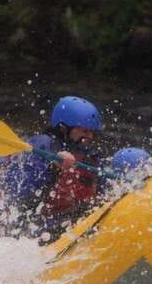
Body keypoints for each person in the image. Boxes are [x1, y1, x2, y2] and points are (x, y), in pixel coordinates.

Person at [6, 95, 105, 240]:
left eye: (91, 132)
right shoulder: (40, 145)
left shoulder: (89, 156)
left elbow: (104, 187)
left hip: (72, 219)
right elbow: (22, 193)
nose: (89, 136)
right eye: (84, 131)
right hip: (36, 226)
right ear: (63, 128)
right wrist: (54, 164)